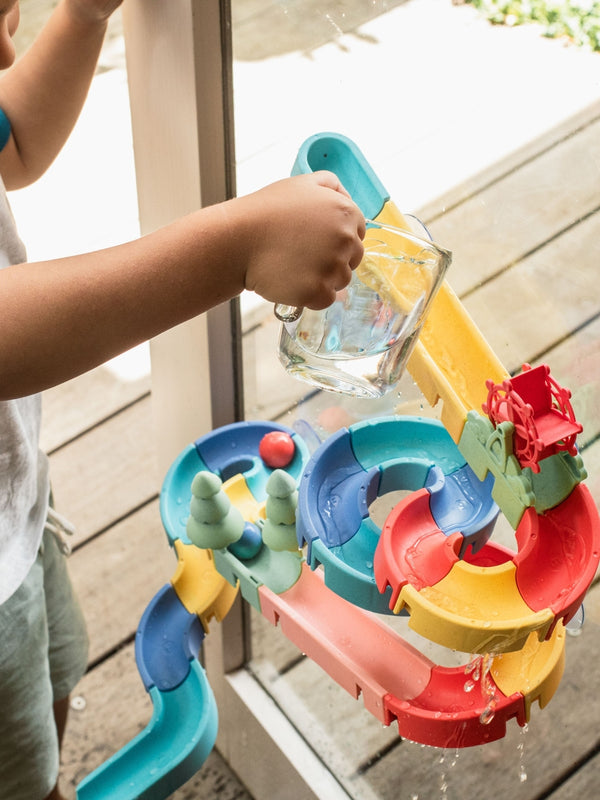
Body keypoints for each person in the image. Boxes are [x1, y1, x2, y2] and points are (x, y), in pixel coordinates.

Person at [0, 2, 365, 798]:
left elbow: (13, 141)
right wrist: (234, 248)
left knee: (47, 690)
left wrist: (84, 19)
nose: (7, 43)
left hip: (15, 513)